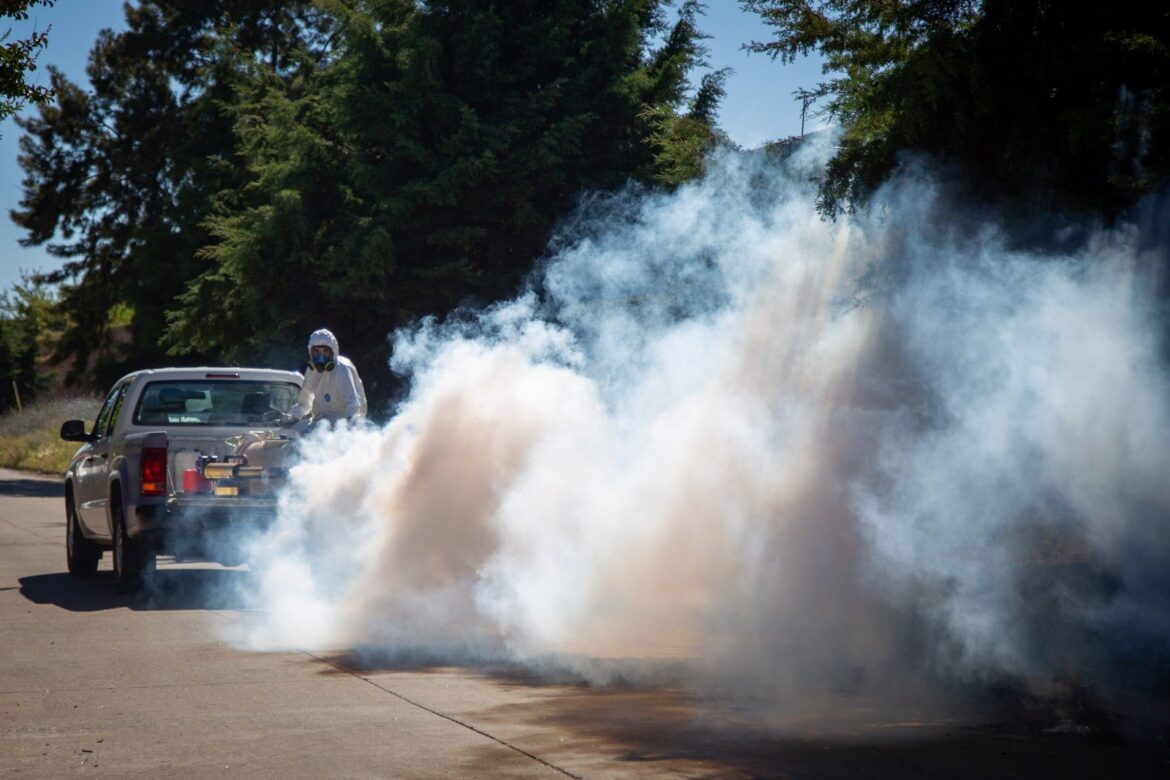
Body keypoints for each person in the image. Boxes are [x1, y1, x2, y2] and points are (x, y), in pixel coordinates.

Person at [287, 328, 367, 423]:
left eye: (325, 351)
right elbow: (305, 404)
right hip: (320, 424)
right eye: (316, 351)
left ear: (332, 353)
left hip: (342, 426)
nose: (321, 356)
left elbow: (353, 406)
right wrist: (291, 417)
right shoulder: (311, 371)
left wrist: (350, 429)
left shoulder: (342, 368)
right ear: (311, 353)